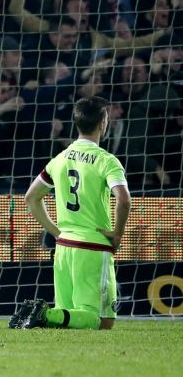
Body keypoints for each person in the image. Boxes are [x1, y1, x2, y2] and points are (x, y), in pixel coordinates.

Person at [12, 97, 130, 330]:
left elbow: (31, 198)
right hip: (93, 247)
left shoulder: (60, 158)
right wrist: (117, 234)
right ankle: (45, 315)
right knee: (104, 321)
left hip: (64, 247)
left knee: (69, 318)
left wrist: (57, 232)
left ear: (76, 123)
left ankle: (41, 313)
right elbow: (124, 199)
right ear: (103, 122)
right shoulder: (107, 161)